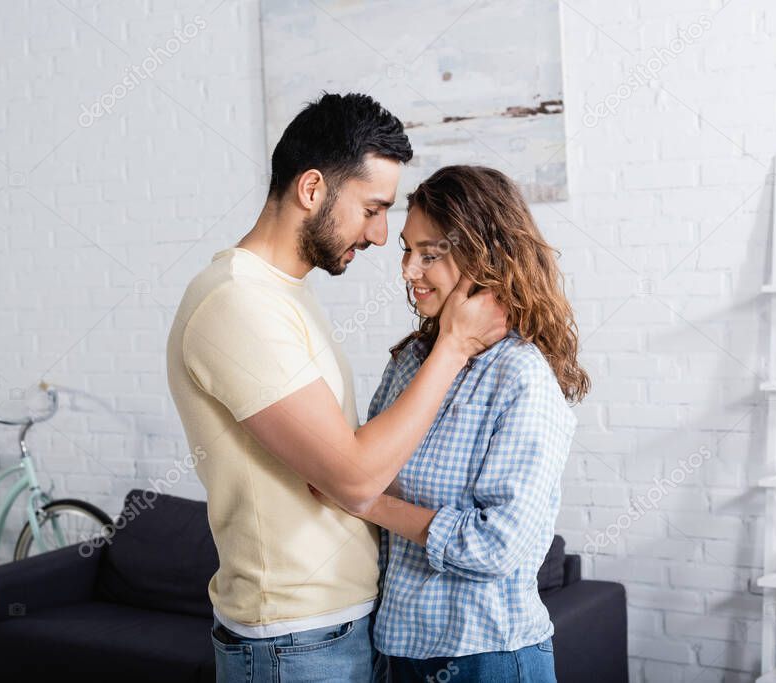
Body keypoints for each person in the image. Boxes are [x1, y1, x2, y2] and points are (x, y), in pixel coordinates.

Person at [165, 94, 508, 682]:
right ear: (313, 189)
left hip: (334, 630)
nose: (380, 236)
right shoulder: (237, 302)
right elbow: (351, 478)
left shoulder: (283, 295)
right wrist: (452, 347)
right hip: (294, 642)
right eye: (373, 209)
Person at [313, 165, 589, 683]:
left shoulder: (521, 375)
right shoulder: (412, 363)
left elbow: (496, 545)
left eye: (430, 254)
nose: (408, 271)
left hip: (489, 658)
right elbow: (366, 464)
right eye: (406, 250)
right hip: (397, 650)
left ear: (485, 256)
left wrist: (366, 501)